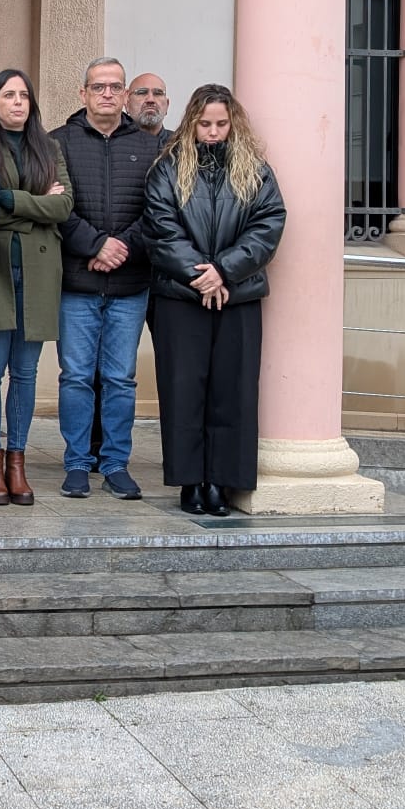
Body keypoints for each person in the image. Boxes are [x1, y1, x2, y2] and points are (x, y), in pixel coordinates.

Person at [141, 85, 284, 515]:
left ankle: (222, 482)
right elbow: (160, 227)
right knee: (183, 390)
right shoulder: (167, 168)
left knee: (233, 391)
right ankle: (190, 482)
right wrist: (202, 276)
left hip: (237, 296)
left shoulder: (256, 171)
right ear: (191, 123)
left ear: (233, 123)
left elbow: (268, 224)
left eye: (221, 123)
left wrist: (224, 271)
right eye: (205, 124)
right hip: (181, 297)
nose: (214, 132)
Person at [55, 57, 158, 500]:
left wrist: (120, 249)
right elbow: (56, 209)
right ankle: (78, 463)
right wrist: (96, 245)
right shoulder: (57, 143)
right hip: (77, 283)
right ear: (83, 93)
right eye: (99, 87)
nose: (108, 94)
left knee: (120, 378)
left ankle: (115, 463)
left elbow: (158, 211)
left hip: (130, 285)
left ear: (125, 94)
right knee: (76, 376)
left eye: (116, 87)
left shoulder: (151, 148)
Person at [0, 68, 72, 507]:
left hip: (39, 271)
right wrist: (35, 205)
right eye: (8, 95)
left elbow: (64, 205)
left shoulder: (49, 147)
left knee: (26, 372)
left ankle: (17, 461)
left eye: (24, 96)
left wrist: (11, 199)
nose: (17, 102)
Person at [126, 72, 171, 143]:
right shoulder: (113, 145)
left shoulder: (183, 145)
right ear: (127, 105)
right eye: (142, 93)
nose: (150, 100)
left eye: (158, 93)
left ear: (167, 105)